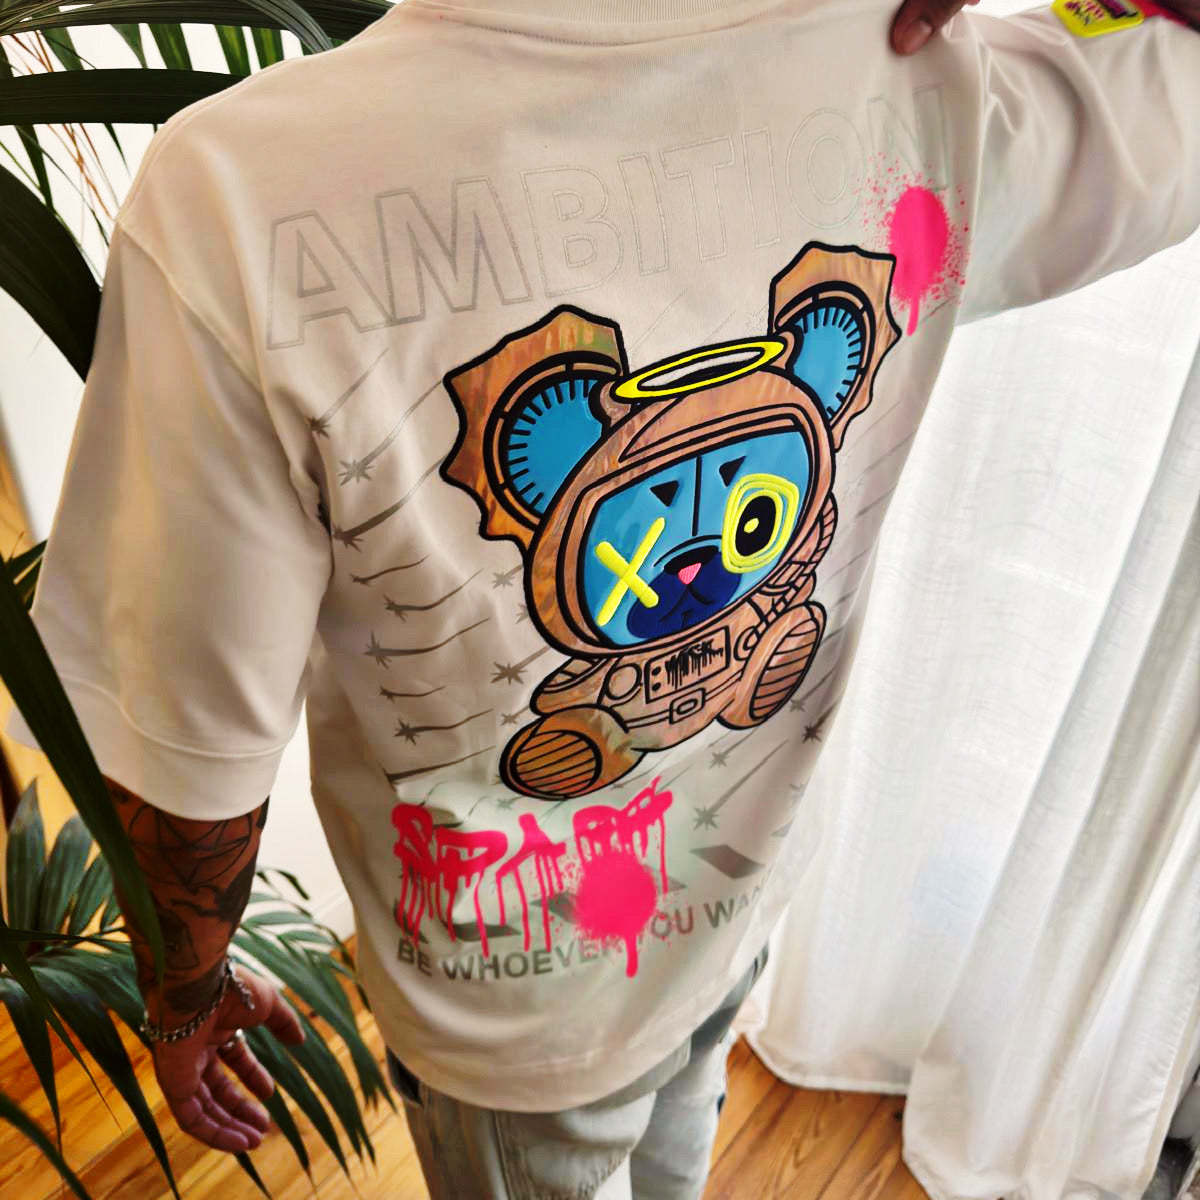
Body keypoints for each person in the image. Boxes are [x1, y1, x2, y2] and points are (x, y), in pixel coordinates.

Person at [5, 0, 1199, 1195]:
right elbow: (1170, 109)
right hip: (739, 889)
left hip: (510, 999)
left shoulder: (245, 197)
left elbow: (189, 756)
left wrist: (184, 994)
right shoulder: (918, 77)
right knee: (682, 1140)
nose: (693, 566)